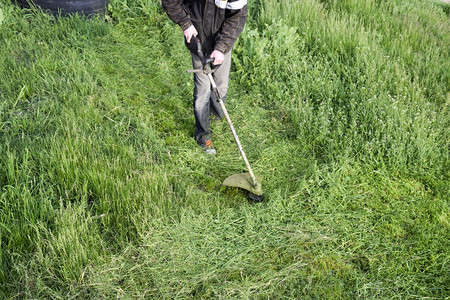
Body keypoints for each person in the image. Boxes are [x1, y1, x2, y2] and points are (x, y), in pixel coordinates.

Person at [161, 0, 248, 154]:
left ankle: (215, 118)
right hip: (198, 40)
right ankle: (203, 134)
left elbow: (236, 18)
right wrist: (186, 25)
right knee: (203, 90)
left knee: (220, 86)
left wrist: (221, 48)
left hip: (222, 43)